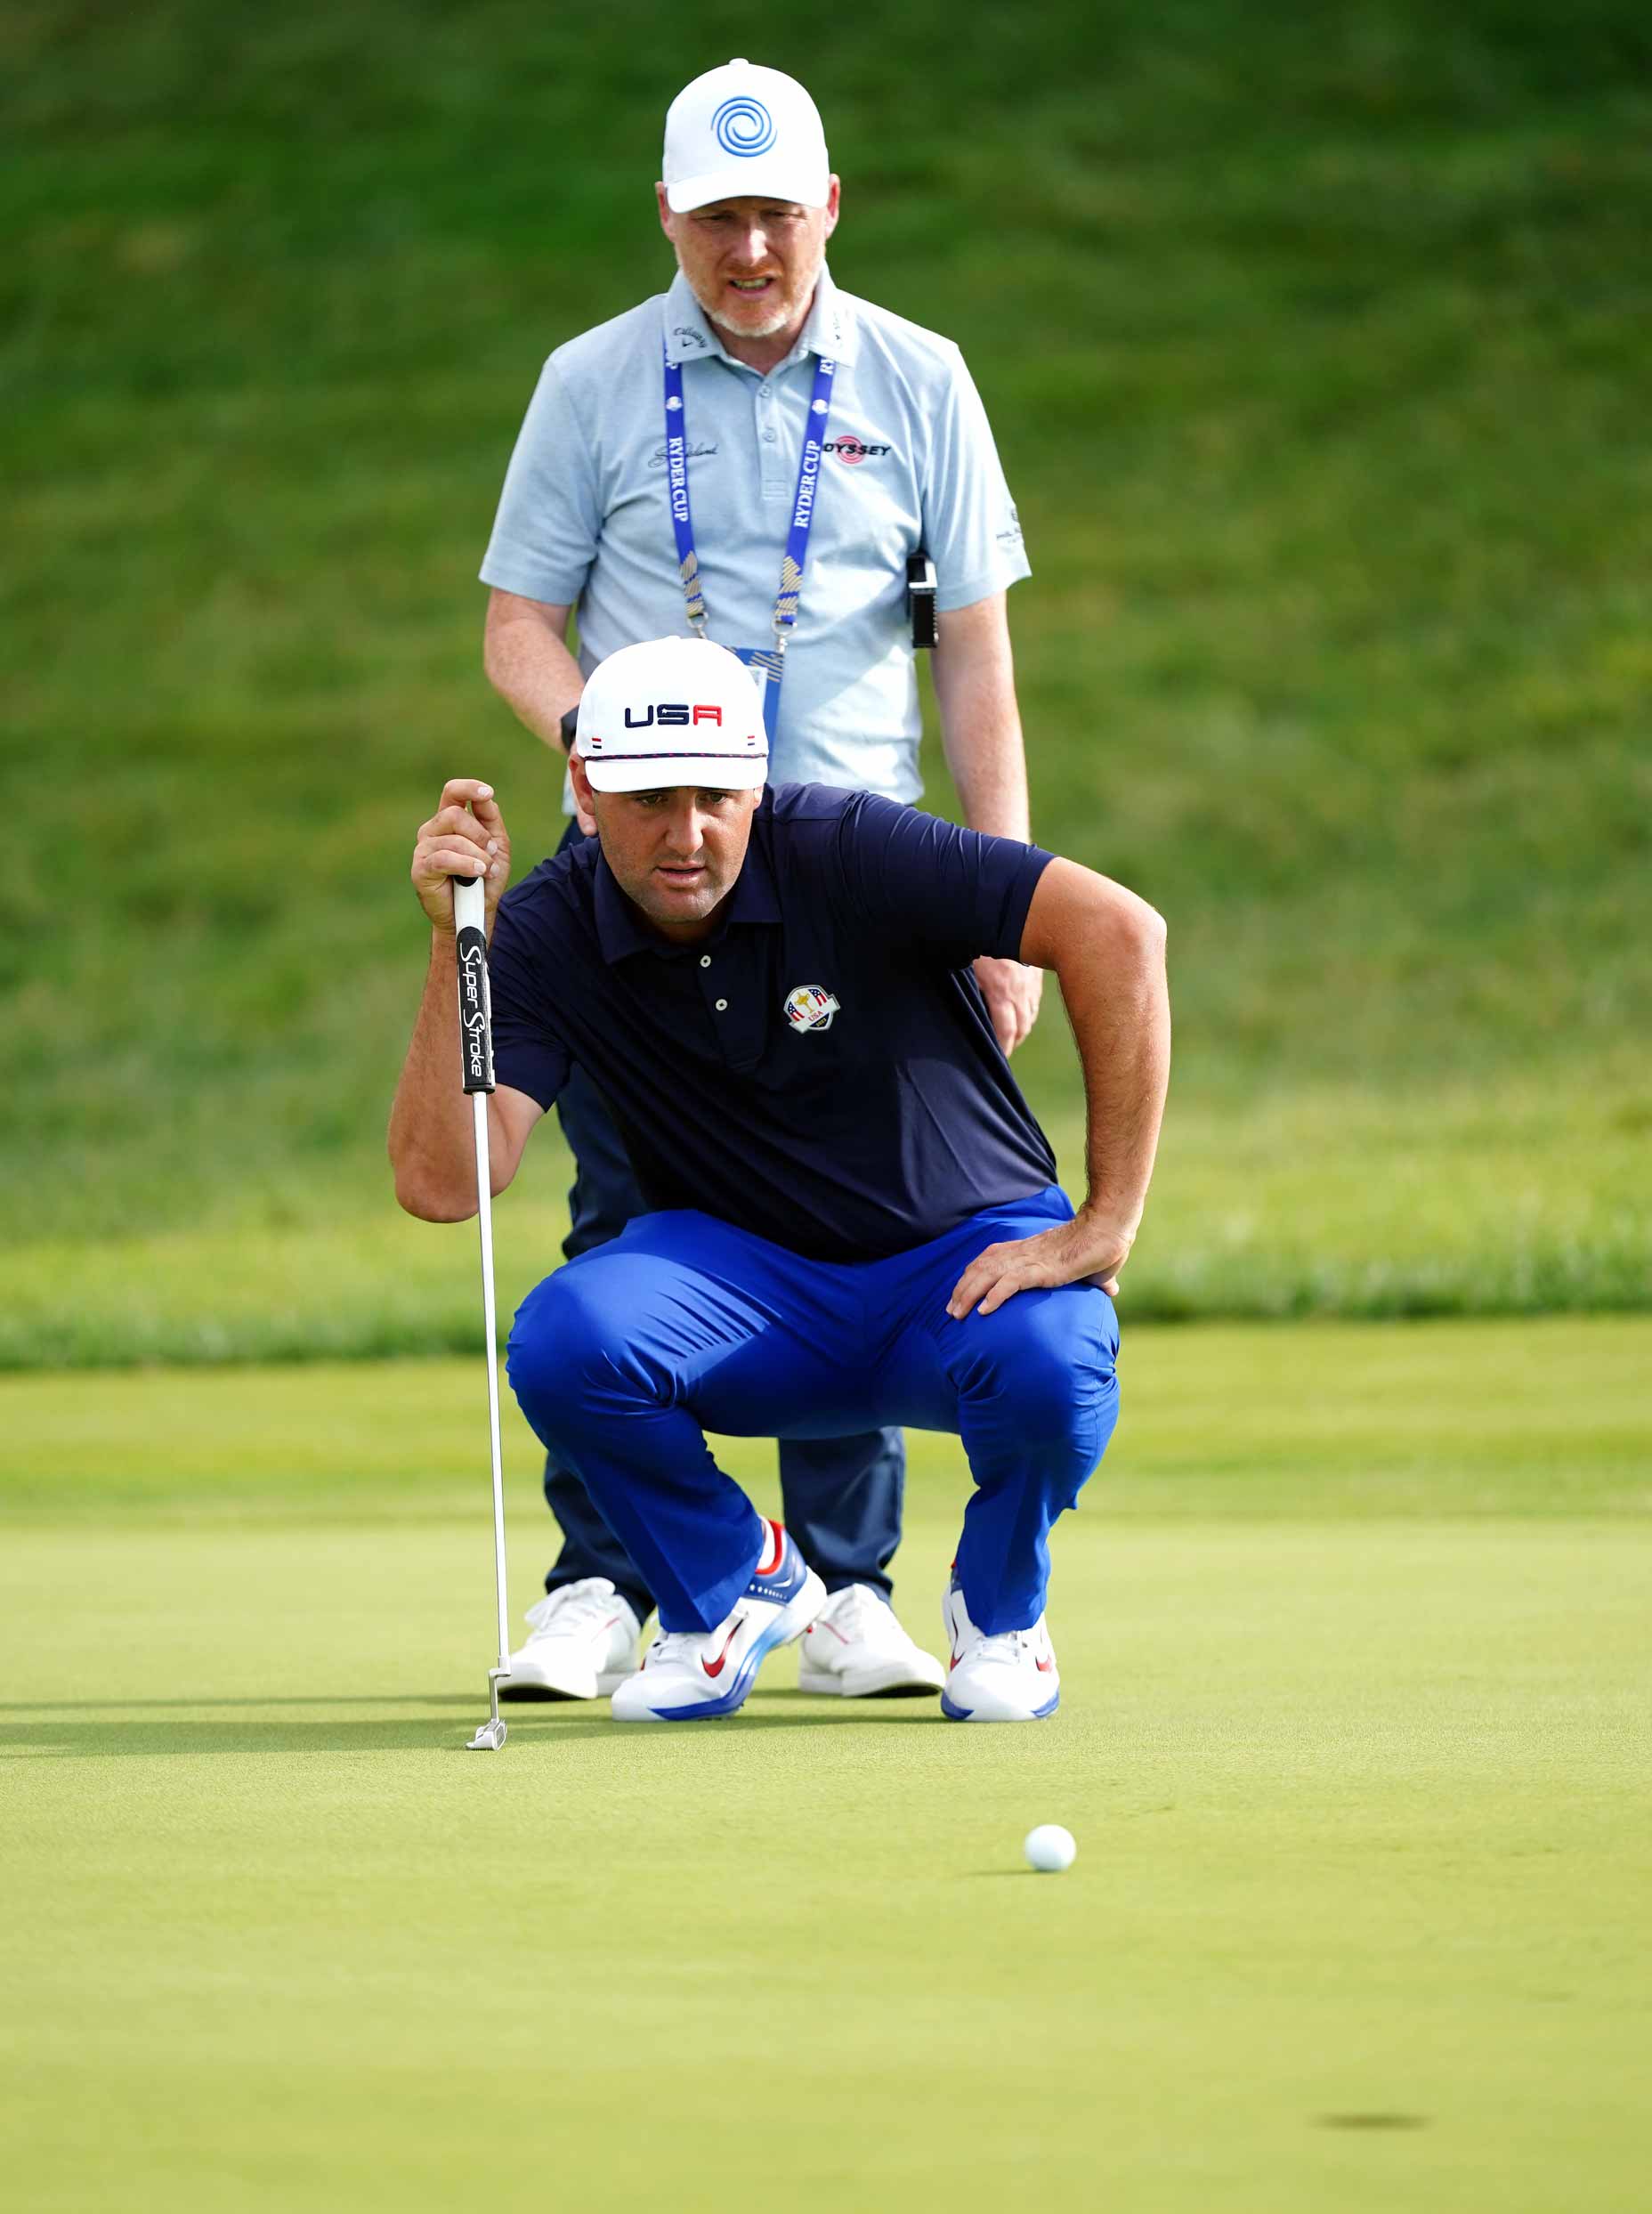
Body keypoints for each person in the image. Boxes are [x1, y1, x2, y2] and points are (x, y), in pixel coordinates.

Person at [476, 58, 1041, 1703]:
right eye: (716, 216)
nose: (748, 248)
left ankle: (847, 1586)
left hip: (862, 879)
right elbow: (517, 618)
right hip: (649, 873)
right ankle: (608, 1576)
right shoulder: (589, 382)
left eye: (776, 213)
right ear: (665, 214)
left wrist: (1002, 910)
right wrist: (605, 742)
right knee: (625, 1205)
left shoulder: (921, 376)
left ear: (830, 209)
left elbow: (977, 663)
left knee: (865, 1210)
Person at [389, 637, 1170, 1723]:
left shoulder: (846, 845)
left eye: (715, 796)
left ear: (758, 780)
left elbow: (1118, 932)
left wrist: (1106, 1219)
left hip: (956, 1267)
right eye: (649, 799)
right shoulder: (546, 928)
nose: (687, 834)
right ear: (582, 786)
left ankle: (1000, 1617)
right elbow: (443, 1180)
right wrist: (454, 946)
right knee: (566, 1337)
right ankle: (731, 1588)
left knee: (1052, 1361)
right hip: (747, 1297)